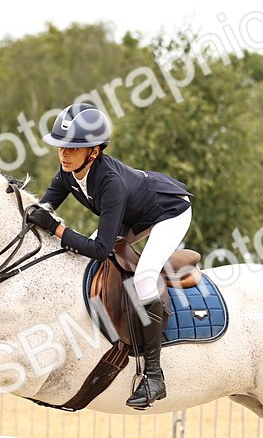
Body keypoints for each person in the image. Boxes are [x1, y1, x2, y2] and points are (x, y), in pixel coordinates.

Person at [24, 102, 192, 410]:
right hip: (134, 214)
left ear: (95, 151)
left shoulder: (110, 182)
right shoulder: (66, 175)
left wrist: (58, 230)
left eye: (72, 149)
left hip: (169, 211)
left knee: (142, 279)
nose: (63, 154)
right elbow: (40, 213)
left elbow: (100, 248)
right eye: (61, 147)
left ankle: (154, 376)